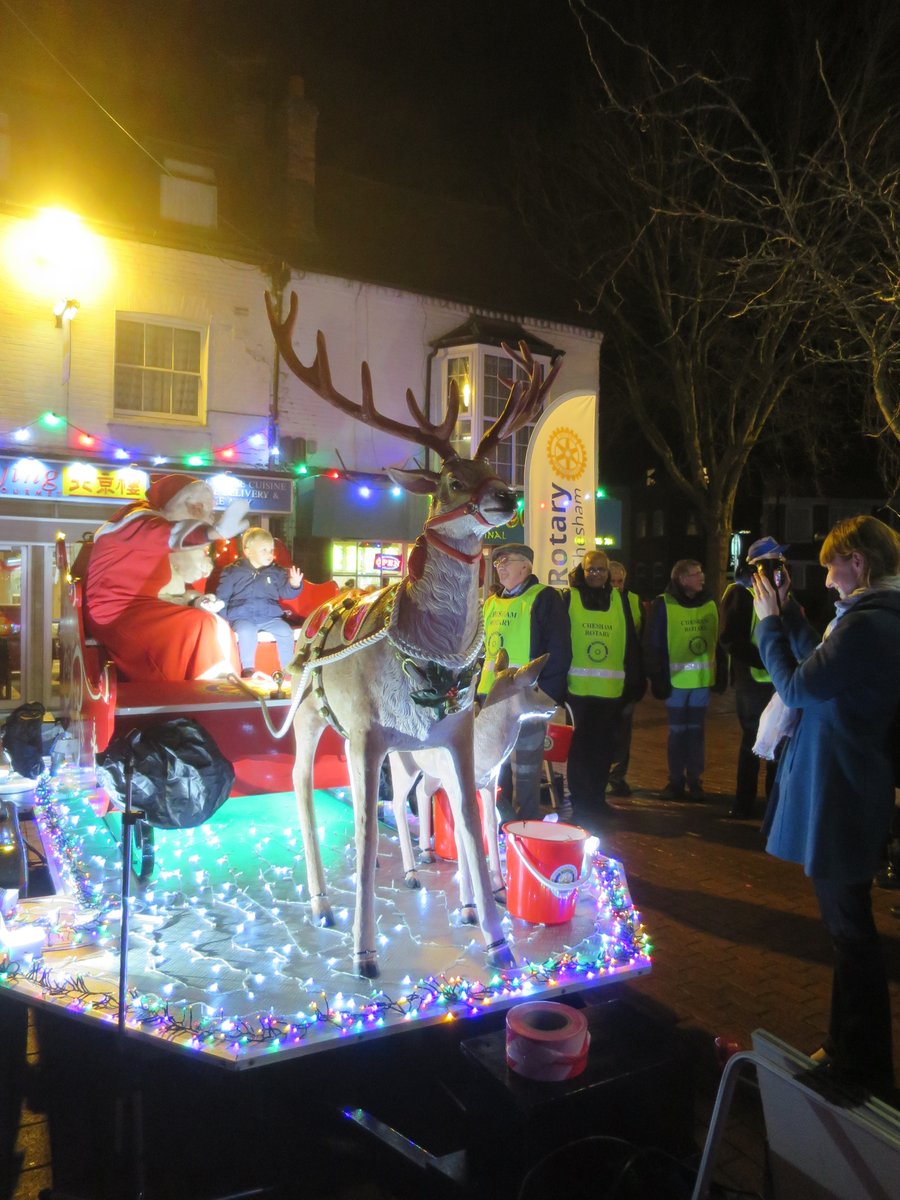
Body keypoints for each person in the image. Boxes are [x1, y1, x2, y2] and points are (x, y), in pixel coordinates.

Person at [752, 515, 900, 1099]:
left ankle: (861, 1068)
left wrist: (767, 626)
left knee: (851, 934)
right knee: (847, 929)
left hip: (842, 786)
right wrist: (789, 615)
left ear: (859, 562)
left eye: (835, 563)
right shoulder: (872, 618)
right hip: (847, 781)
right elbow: (819, 663)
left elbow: (797, 687)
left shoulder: (868, 625)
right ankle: (847, 1050)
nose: (829, 574)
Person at [83, 474, 249, 682]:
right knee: (200, 625)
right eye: (198, 509)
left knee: (212, 623)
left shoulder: (165, 539)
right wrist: (212, 533)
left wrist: (194, 600)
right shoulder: (139, 521)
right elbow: (166, 533)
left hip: (143, 607)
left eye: (210, 512)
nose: (207, 517)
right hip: (114, 612)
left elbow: (169, 591)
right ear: (177, 504)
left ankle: (215, 688)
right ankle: (202, 691)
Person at [478, 542, 571, 822]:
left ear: (526, 566)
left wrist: (546, 693)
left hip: (524, 699)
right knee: (493, 764)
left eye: (507, 562)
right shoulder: (492, 602)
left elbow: (559, 648)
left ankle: (524, 824)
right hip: (490, 699)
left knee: (526, 769)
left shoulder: (544, 598)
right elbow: (482, 651)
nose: (500, 568)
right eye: (497, 564)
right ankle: (496, 821)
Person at [563, 550, 644, 823]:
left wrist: (635, 682)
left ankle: (597, 799)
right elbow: (562, 643)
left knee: (604, 750)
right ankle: (580, 801)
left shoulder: (619, 600)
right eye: (590, 570)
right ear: (582, 572)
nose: (595, 574)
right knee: (580, 750)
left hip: (611, 692)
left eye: (600, 570)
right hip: (578, 692)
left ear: (609, 573)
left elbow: (630, 643)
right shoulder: (569, 598)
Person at [644, 558, 726, 800]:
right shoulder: (664, 604)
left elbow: (717, 641)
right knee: (679, 732)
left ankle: (694, 779)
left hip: (701, 680)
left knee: (696, 732)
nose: (702, 577)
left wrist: (721, 674)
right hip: (676, 682)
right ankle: (676, 780)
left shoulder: (710, 602)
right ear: (681, 579)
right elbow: (653, 643)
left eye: (701, 572)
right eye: (696, 574)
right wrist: (658, 677)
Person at [718, 536, 786, 819]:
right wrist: (767, 659)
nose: (779, 566)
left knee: (778, 743)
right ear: (757, 565)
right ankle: (744, 803)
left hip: (777, 680)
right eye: (773, 561)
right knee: (752, 743)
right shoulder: (739, 593)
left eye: (780, 561)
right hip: (752, 682)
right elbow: (731, 639)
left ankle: (774, 804)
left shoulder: (782, 592)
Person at [215, 527, 304, 678]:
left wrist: (294, 585)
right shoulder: (232, 572)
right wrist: (223, 622)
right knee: (246, 631)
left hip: (269, 616)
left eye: (271, 550)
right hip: (241, 616)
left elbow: (285, 592)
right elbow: (222, 598)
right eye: (264, 550)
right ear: (248, 551)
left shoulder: (276, 572)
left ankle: (288, 669)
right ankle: (248, 669)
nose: (269, 554)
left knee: (285, 631)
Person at [607, 559, 644, 797]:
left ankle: (617, 778)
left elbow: (638, 640)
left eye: (621, 581)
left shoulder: (633, 601)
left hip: (626, 679)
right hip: (602, 681)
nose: (617, 586)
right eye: (613, 582)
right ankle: (605, 776)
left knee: (623, 734)